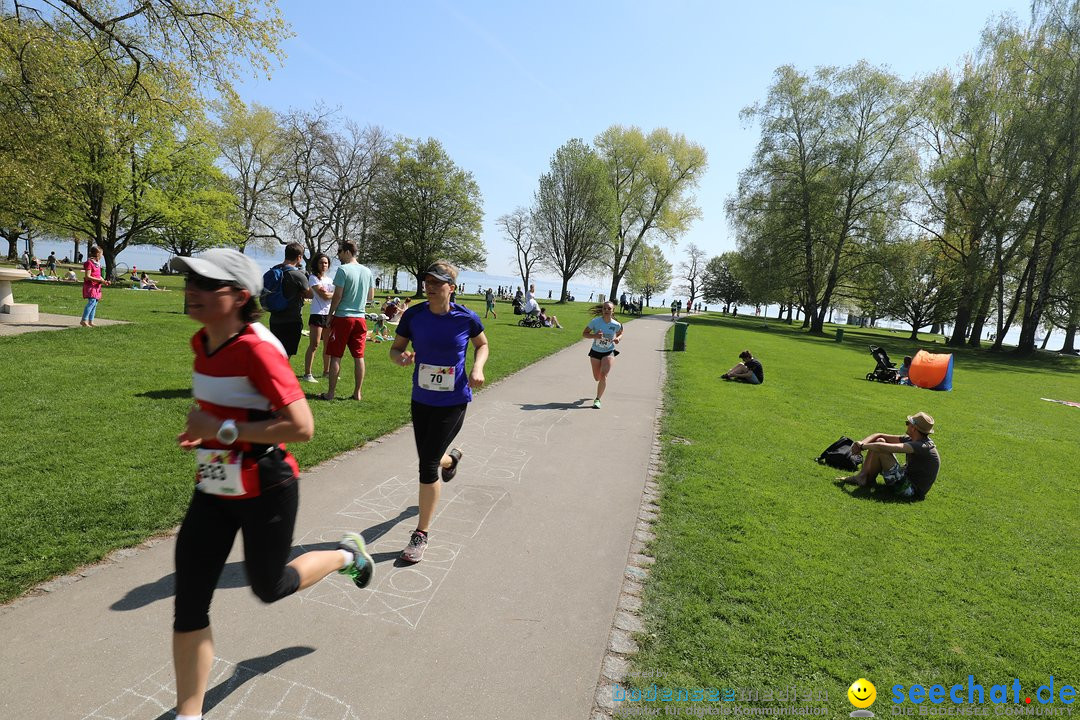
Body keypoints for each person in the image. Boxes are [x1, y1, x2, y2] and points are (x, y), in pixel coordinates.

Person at [167, 248, 373, 720]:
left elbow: (301, 426)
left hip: (267, 488)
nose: (191, 290)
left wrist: (219, 430)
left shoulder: (258, 348)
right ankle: (190, 715)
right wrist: (201, 431)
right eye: (189, 280)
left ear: (240, 296)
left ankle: (348, 556)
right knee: (190, 602)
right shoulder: (203, 343)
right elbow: (225, 412)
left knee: (271, 585)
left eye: (205, 283)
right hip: (214, 489)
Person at [389, 260, 488, 563]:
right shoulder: (414, 315)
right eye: (427, 283)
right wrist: (400, 358)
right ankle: (452, 459)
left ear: (451, 288)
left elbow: (482, 345)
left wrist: (477, 367)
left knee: (426, 463)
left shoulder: (465, 318)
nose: (430, 288)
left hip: (453, 399)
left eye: (437, 283)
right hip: (422, 399)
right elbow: (395, 348)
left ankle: (421, 534)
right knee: (430, 459)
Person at [838, 412, 941, 500]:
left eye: (907, 423)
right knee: (880, 442)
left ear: (914, 428)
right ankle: (862, 476)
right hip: (906, 477)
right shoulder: (914, 439)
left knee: (881, 449)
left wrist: (863, 446)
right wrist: (860, 443)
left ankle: (866, 481)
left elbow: (884, 448)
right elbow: (879, 435)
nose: (906, 425)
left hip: (911, 491)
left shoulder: (921, 446)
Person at [321, 240, 374, 401]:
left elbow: (337, 297)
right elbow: (370, 297)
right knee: (359, 357)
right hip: (360, 318)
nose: (338, 255)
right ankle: (357, 393)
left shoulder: (343, 270)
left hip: (344, 317)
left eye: (339, 251)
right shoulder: (367, 271)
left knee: (336, 356)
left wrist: (330, 316)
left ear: (347, 251)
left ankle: (330, 393)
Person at [266, 242, 312, 358]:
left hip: (275, 318)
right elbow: (310, 295)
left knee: (276, 352)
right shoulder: (297, 275)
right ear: (299, 257)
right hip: (291, 319)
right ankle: (277, 375)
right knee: (286, 355)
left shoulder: (274, 270)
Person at [583, 301, 623, 409]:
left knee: (604, 375)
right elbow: (584, 334)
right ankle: (599, 385)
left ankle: (597, 399)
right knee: (597, 377)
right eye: (604, 308)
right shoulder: (595, 322)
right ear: (602, 310)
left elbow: (620, 333)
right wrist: (595, 336)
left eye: (609, 309)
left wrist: (618, 338)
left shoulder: (616, 324)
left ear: (613, 310)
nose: (606, 310)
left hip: (609, 351)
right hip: (595, 352)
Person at [301, 252, 334, 383]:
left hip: (329, 314)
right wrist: (336, 294)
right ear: (316, 264)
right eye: (321, 262)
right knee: (314, 344)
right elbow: (324, 296)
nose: (324, 265)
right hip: (317, 314)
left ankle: (326, 372)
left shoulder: (330, 280)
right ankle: (307, 374)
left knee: (328, 346)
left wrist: (332, 294)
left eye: (326, 263)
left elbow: (328, 295)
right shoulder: (313, 278)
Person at [80, 246, 108, 327]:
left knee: (95, 303)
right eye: (102, 254)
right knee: (91, 302)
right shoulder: (89, 263)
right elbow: (87, 276)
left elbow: (98, 275)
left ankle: (91, 321)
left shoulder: (97, 264)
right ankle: (84, 320)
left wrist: (104, 281)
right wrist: (99, 280)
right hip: (90, 286)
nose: (102, 256)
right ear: (98, 254)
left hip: (96, 287)